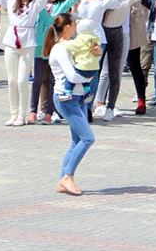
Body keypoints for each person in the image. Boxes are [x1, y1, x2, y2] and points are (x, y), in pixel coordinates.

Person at [44, 13, 99, 196]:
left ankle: (62, 179)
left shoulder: (70, 45)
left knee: (76, 140)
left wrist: (94, 54)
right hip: (66, 98)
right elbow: (72, 76)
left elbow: (86, 60)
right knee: (87, 138)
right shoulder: (60, 49)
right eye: (74, 24)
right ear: (67, 27)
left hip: (79, 97)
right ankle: (68, 176)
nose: (76, 28)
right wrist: (90, 78)